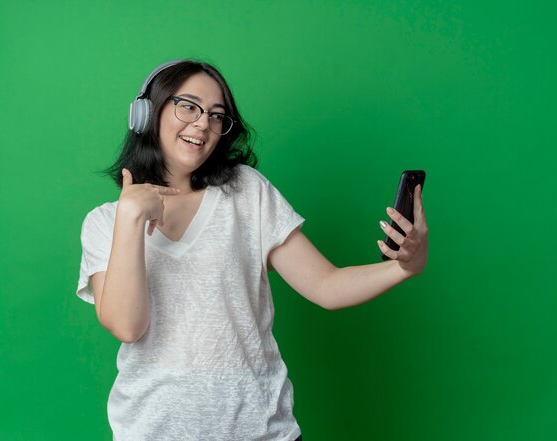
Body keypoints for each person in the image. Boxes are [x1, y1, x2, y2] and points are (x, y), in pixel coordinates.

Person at [76, 59, 428, 441]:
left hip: (259, 430)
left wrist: (404, 268)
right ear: (146, 114)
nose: (202, 124)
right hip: (150, 430)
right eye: (188, 106)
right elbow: (128, 326)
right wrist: (130, 219)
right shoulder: (104, 221)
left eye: (216, 115)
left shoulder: (246, 192)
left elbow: (327, 286)